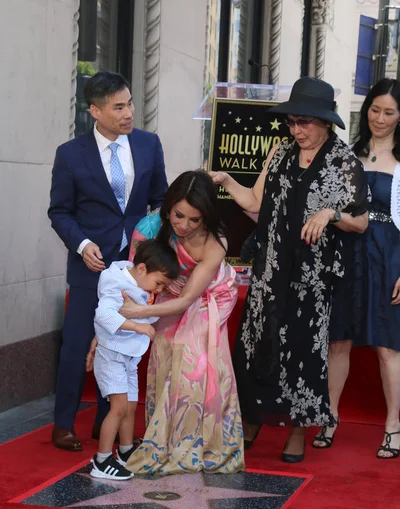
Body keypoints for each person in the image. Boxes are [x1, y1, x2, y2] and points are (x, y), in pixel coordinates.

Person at [210, 77, 369, 463]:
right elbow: (255, 201)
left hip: (312, 278)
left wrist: (330, 214)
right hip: (271, 268)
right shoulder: (279, 152)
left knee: (302, 350)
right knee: (256, 344)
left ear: (326, 122)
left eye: (305, 123)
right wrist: (227, 180)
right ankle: (253, 419)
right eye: (292, 121)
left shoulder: (344, 162)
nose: (297, 130)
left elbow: (360, 222)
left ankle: (298, 429)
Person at [48, 71, 168, 451]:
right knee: (77, 343)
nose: (129, 112)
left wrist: (148, 236)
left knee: (121, 342)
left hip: (134, 268)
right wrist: (82, 244)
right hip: (90, 266)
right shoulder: (70, 154)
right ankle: (63, 424)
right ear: (95, 111)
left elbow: (161, 199)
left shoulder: (149, 144)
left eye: (130, 102)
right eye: (119, 107)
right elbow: (59, 211)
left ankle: (106, 421)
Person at [116, 170, 244, 475]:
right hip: (167, 293)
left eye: (194, 220)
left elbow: (189, 298)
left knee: (192, 362)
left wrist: (134, 315)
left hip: (210, 298)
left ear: (207, 218)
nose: (184, 226)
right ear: (169, 205)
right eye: (178, 215)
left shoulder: (216, 241)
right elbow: (138, 281)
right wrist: (132, 309)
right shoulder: (148, 229)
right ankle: (167, 437)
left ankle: (197, 443)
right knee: (165, 353)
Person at [314, 78, 400, 459]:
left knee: (388, 346)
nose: (380, 118)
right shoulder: (348, 153)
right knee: (338, 341)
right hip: (347, 254)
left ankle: (394, 425)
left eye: (389, 112)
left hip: (390, 257)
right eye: (375, 109)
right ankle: (329, 416)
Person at [89, 239, 180, 480]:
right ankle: (101, 460)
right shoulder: (115, 283)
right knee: (118, 408)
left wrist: (142, 319)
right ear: (141, 269)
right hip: (112, 357)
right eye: (159, 283)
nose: (159, 290)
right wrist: (137, 327)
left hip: (128, 357)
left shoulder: (139, 281)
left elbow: (142, 313)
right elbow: (103, 315)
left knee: (130, 406)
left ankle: (126, 451)